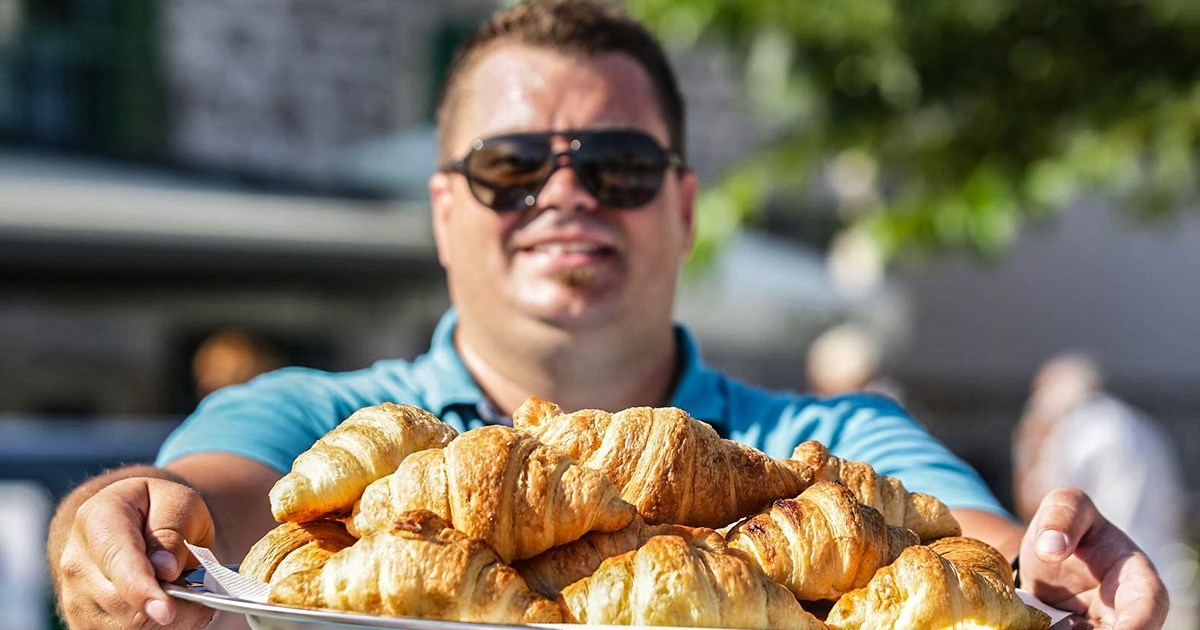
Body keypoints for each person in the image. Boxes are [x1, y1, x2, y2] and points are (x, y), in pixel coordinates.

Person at [47, 1, 1167, 629]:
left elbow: (974, 563)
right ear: (445, 212)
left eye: (621, 166)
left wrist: (1062, 573)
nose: (567, 196)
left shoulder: (822, 457)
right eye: (512, 166)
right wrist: (107, 525)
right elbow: (190, 509)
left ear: (683, 208)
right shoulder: (309, 417)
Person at [1014, 352, 1196, 630]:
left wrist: (1032, 440)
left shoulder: (1077, 431)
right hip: (1164, 578)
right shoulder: (1141, 424)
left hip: (1100, 590)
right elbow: (1176, 508)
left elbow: (1039, 502)